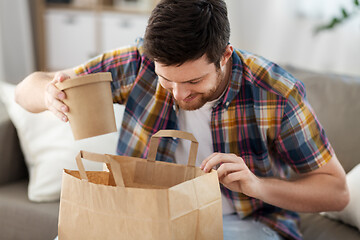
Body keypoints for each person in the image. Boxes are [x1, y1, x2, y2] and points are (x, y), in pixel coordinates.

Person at [15, 0, 349, 239]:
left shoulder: (276, 93)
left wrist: (257, 186)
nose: (178, 94)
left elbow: (335, 193)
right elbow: (27, 89)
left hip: (242, 223)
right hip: (140, 215)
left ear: (225, 56)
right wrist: (47, 93)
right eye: (166, 79)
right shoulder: (137, 63)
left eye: (193, 81)